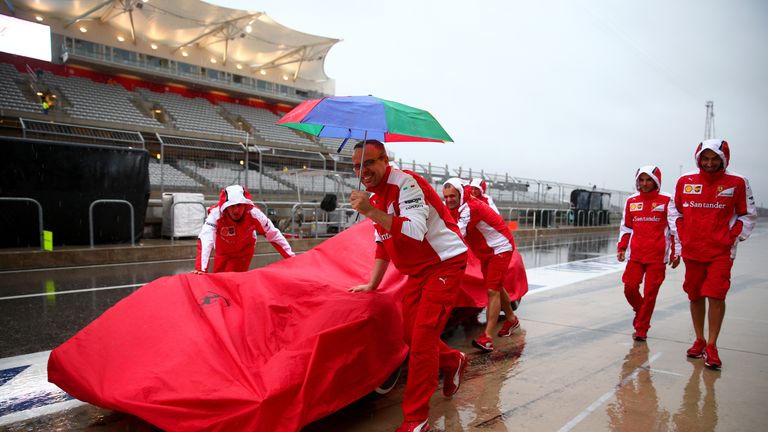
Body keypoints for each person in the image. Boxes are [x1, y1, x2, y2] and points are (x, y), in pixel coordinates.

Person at [348, 140, 468, 432]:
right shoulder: (373, 196)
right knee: (409, 336)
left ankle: (417, 419)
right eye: (356, 166)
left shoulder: (408, 183)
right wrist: (371, 284)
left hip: (445, 264)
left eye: (369, 163)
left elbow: (414, 230)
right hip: (418, 273)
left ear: (385, 160)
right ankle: (453, 361)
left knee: (423, 340)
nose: (362, 171)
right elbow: (383, 244)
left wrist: (370, 211)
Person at [669, 139, 756, 369]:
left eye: (714, 159)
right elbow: (674, 211)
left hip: (720, 252)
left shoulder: (737, 182)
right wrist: (683, 237)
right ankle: (699, 340)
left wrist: (731, 238)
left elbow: (747, 215)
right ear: (698, 158)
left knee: (716, 295)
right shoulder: (684, 181)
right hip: (693, 249)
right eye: (705, 158)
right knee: (695, 294)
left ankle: (712, 345)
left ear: (723, 159)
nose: (709, 163)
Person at [443, 178, 521, 352]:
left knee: (492, 290)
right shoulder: (456, 206)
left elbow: (455, 237)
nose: (449, 200)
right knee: (496, 287)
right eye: (446, 196)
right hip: (486, 251)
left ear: (461, 193)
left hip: (500, 248)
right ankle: (511, 319)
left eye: (452, 196)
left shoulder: (470, 208)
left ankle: (487, 337)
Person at [616, 166, 680, 341]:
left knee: (650, 293)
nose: (644, 184)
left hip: (657, 257)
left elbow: (675, 229)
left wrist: (676, 251)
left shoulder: (668, 200)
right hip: (635, 255)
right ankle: (640, 311)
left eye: (648, 180)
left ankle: (642, 328)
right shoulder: (631, 201)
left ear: (656, 181)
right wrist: (622, 247)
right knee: (629, 288)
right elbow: (626, 227)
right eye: (641, 180)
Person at [194, 184, 294, 274]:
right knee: (219, 278)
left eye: (239, 205)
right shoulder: (216, 215)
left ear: (245, 204)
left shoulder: (254, 213)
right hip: (223, 251)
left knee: (235, 279)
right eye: (232, 206)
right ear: (225, 207)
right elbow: (205, 239)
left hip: (244, 251)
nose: (236, 210)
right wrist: (201, 269)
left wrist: (291, 258)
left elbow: (273, 234)